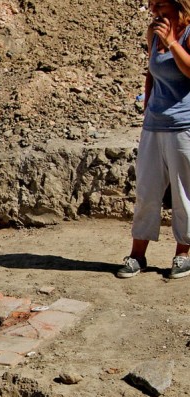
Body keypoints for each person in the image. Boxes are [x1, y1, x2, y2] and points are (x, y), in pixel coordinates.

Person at [117, 0, 190, 279]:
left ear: (178, 5)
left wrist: (172, 42)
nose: (155, 12)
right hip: (154, 125)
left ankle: (182, 254)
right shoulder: (153, 33)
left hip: (184, 125)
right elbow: (152, 74)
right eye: (152, 5)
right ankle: (137, 255)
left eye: (161, 5)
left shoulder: (186, 34)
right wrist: (147, 107)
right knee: (147, 192)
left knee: (184, 194)